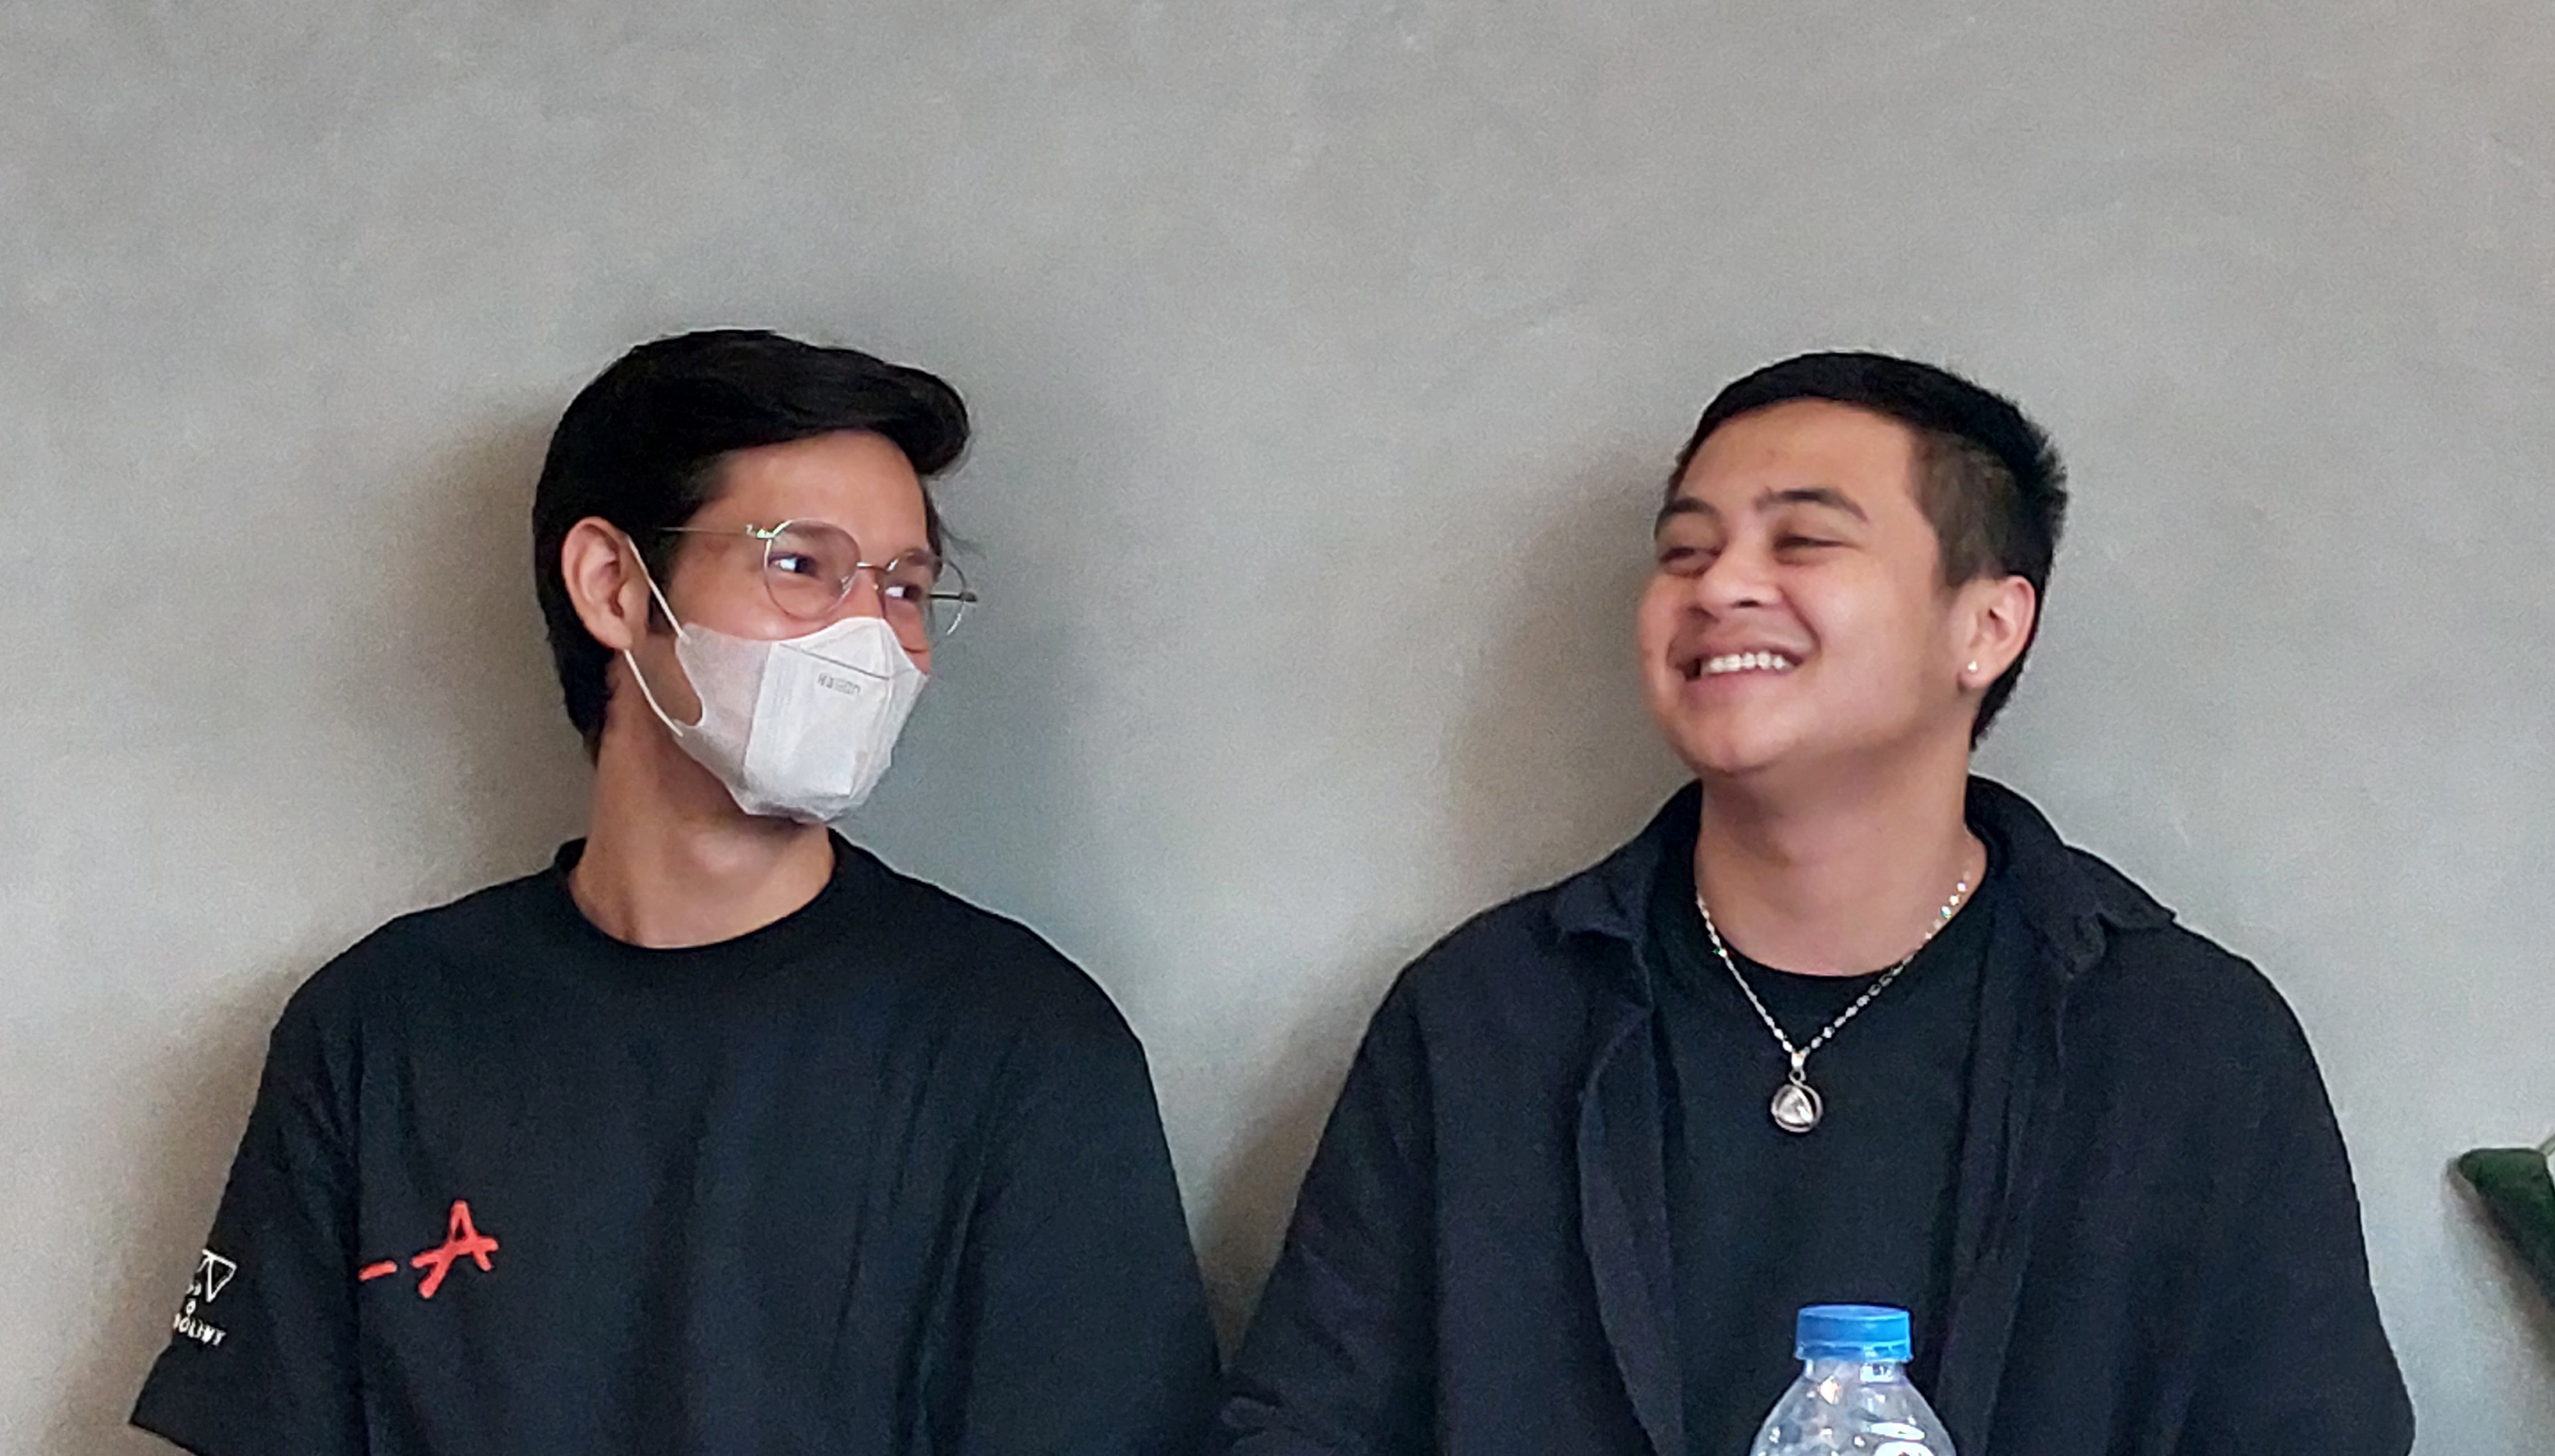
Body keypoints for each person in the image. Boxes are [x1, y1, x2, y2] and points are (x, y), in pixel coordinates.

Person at [1217, 352, 2411, 1454]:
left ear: (1986, 626)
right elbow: (1303, 1430)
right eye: (1684, 552)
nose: (1720, 586)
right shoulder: (1484, 1021)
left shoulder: (2185, 1044)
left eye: (1801, 542)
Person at [131, 328, 1218, 1455]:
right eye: (801, 567)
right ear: (614, 586)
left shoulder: (1022, 1044)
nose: (870, 639)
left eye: (903, 588)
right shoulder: (382, 1027)